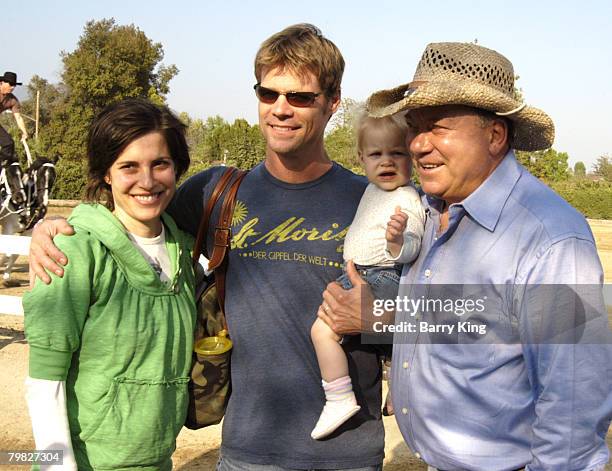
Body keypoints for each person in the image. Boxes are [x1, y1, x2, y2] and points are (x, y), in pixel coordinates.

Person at [29, 24, 385, 470]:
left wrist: (376, 315)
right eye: (268, 93)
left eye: (299, 97)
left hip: (346, 456)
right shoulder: (214, 193)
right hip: (246, 453)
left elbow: (453, 312)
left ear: (333, 102)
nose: (280, 109)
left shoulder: (373, 200)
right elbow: (130, 209)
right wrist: (56, 225)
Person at [319, 42, 612, 470]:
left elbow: (574, 406)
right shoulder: (428, 210)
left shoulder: (552, 239)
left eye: (437, 127)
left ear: (495, 136)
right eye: (414, 127)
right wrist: (379, 314)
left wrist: (375, 315)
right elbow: (468, 319)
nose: (417, 145)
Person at [24, 98, 195, 470]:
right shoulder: (71, 252)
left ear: (176, 167)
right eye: (128, 166)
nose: (147, 182)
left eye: (160, 164)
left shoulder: (183, 250)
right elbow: (44, 382)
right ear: (106, 173)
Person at [310, 113, 425, 440]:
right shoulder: (373, 191)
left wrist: (397, 241)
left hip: (382, 274)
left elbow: (412, 245)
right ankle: (400, 389)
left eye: (397, 153)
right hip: (368, 273)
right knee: (389, 346)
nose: (387, 161)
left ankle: (338, 397)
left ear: (411, 157)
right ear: (361, 159)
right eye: (376, 154)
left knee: (321, 331)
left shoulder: (406, 197)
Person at [0, 71, 28, 160]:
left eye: (14, 85)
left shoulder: (12, 100)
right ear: (2, 82)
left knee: (9, 143)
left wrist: (24, 132)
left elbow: (18, 118)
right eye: (11, 84)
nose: (12, 87)